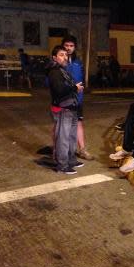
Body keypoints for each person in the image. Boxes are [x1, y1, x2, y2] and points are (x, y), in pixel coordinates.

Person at [46, 45, 85, 174]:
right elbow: (59, 90)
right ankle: (62, 165)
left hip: (71, 107)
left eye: (66, 55)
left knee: (71, 136)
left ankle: (71, 160)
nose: (64, 57)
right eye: (61, 55)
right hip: (63, 108)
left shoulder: (63, 70)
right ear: (54, 58)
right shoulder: (54, 72)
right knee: (63, 137)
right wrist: (75, 88)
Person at [62, 35, 94, 160]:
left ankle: (82, 149)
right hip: (63, 99)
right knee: (60, 125)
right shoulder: (59, 61)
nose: (69, 48)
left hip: (77, 99)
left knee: (79, 123)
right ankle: (59, 150)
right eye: (66, 46)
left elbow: (79, 81)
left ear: (75, 47)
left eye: (71, 46)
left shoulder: (77, 62)